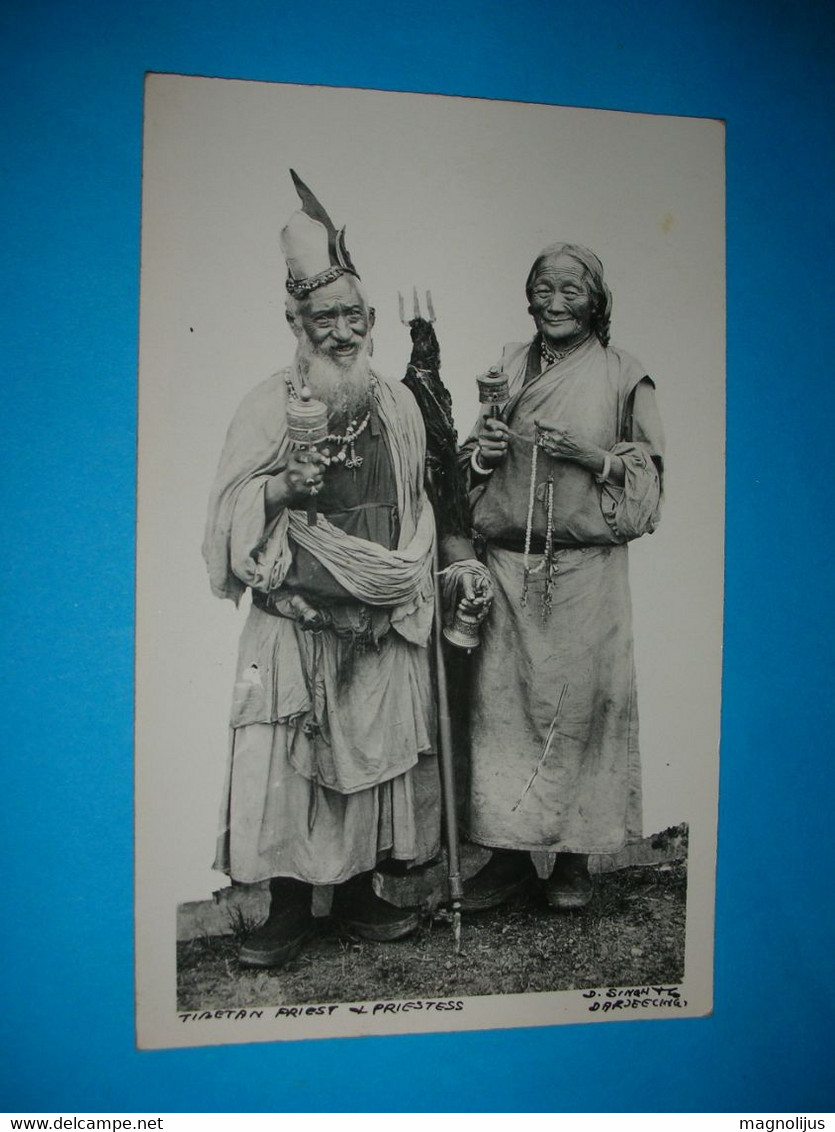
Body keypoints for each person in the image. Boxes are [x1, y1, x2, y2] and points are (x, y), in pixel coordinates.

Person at [203, 172, 487, 968]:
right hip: (295, 615)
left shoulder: (396, 402)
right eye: (322, 316)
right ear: (293, 319)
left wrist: (415, 575)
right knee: (286, 762)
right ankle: (287, 910)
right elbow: (223, 513)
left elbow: (430, 496)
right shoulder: (267, 403)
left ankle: (361, 893)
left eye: (351, 316)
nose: (340, 330)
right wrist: (275, 489)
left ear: (368, 320)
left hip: (379, 612)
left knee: (369, 759)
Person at [460, 242, 664, 912]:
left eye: (570, 291)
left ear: (595, 301)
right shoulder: (507, 367)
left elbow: (648, 489)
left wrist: (593, 458)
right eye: (543, 288)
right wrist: (482, 453)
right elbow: (467, 469)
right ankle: (509, 857)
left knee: (580, 713)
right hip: (508, 568)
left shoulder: (621, 374)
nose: (554, 302)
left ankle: (574, 861)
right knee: (504, 714)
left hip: (584, 572)